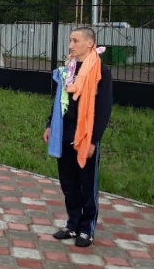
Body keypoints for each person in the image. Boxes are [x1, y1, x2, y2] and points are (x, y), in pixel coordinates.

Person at [44, 26, 112, 248]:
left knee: (86, 182)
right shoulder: (68, 68)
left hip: (85, 133)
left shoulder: (100, 70)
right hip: (64, 130)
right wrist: (49, 125)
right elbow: (58, 100)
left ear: (90, 43)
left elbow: (103, 109)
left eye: (75, 41)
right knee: (68, 181)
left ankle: (86, 229)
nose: (70, 45)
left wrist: (93, 140)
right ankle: (72, 224)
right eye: (70, 40)